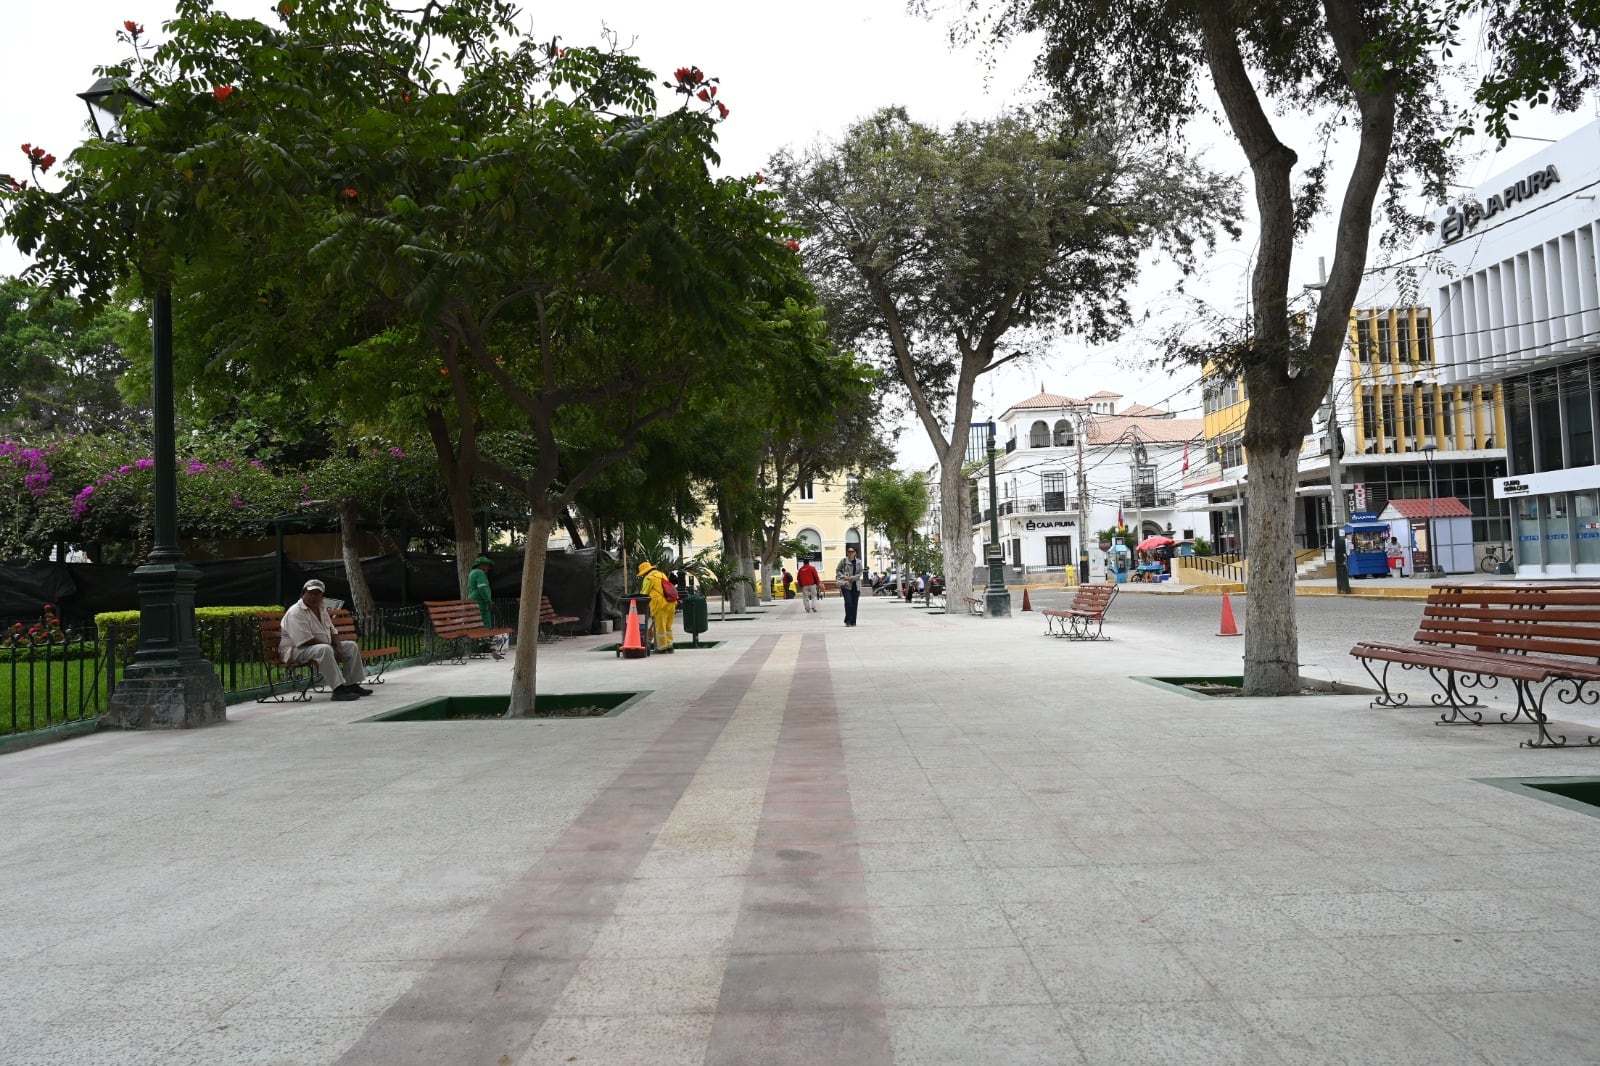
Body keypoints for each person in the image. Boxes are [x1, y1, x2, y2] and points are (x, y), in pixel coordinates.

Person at [279, 579, 370, 701]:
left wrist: (337, 647)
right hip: (294, 650)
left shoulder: (321, 609)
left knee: (351, 646)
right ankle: (338, 690)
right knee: (324, 649)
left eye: (318, 593)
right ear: (302, 594)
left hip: (317, 647)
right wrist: (331, 647)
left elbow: (333, 631)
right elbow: (305, 640)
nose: (314, 596)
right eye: (311, 593)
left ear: (322, 596)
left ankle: (351, 684)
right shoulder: (295, 612)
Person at [466, 555, 507, 659]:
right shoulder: (480, 573)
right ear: (482, 565)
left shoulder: (473, 573)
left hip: (474, 601)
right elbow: (482, 588)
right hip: (481, 602)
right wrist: (489, 601)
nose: (488, 568)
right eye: (487, 566)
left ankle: (480, 645)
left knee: (478, 624)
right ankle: (485, 646)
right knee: (486, 623)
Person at [638, 561, 675, 652]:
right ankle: (670, 646)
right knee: (668, 626)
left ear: (645, 572)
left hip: (659, 605)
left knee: (660, 627)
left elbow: (644, 593)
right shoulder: (662, 574)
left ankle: (662, 648)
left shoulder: (649, 578)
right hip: (671, 603)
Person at [835, 545, 863, 626]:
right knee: (848, 602)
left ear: (855, 553)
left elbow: (860, 573)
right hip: (846, 585)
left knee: (854, 604)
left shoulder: (859, 562)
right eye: (849, 552)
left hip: (855, 585)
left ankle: (853, 621)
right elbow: (838, 571)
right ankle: (848, 621)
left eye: (852, 552)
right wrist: (844, 577)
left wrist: (852, 578)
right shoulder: (843, 561)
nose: (850, 553)